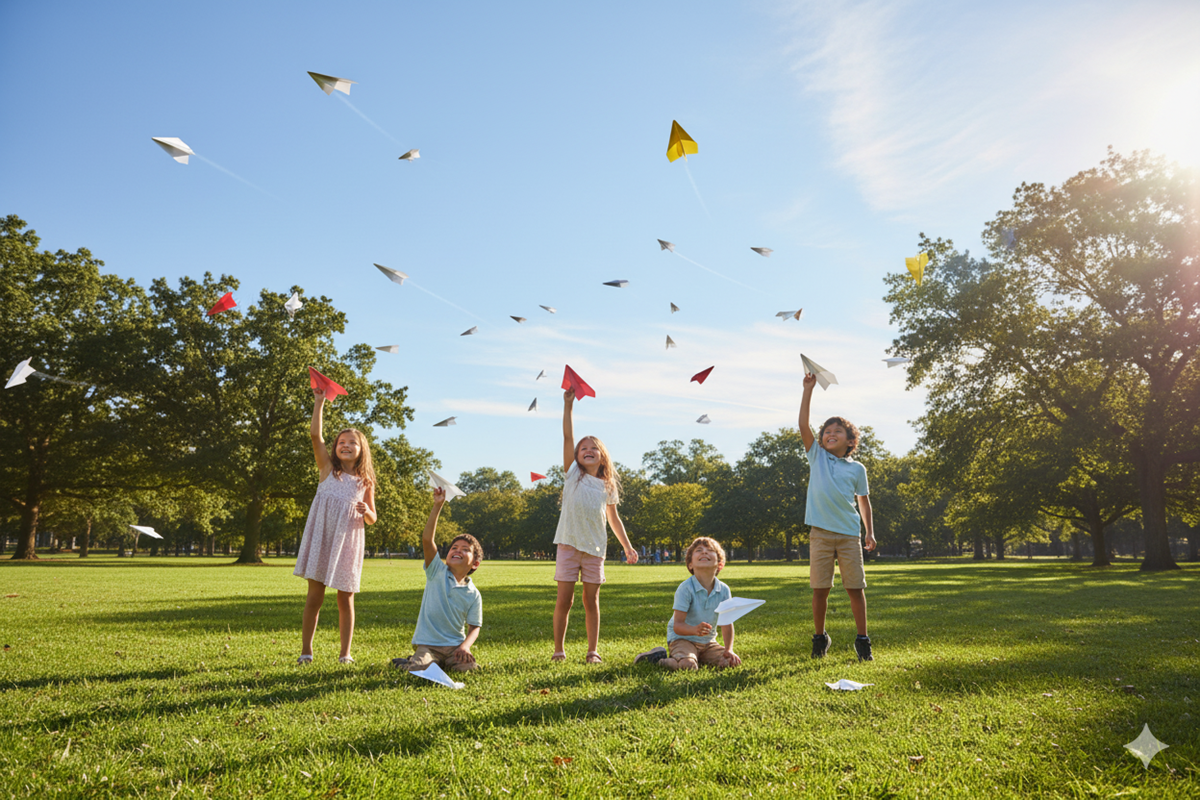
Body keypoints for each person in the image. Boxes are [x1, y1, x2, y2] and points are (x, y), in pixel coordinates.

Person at [552, 387, 639, 664]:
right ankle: (559, 651)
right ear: (577, 456)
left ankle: (592, 651)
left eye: (593, 448)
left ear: (602, 456)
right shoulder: (572, 474)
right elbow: (568, 436)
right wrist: (568, 406)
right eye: (583, 448)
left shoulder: (607, 484)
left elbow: (613, 518)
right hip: (568, 544)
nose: (587, 451)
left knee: (592, 601)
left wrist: (627, 546)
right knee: (564, 600)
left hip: (595, 549)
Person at [293, 386, 377, 665]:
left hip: (349, 541)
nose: (345, 445)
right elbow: (315, 435)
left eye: (352, 442)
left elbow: (372, 517)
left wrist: (367, 512)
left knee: (346, 599)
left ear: (361, 449)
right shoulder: (328, 470)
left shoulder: (366, 482)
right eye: (341, 441)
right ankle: (306, 651)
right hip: (322, 537)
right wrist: (319, 402)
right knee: (314, 597)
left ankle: (345, 654)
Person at [798, 371, 876, 661]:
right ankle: (819, 638)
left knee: (855, 588)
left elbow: (863, 502)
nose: (830, 434)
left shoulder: (857, 469)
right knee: (821, 589)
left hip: (847, 534)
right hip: (819, 532)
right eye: (826, 431)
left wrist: (869, 531)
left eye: (837, 431)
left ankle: (862, 640)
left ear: (850, 441)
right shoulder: (816, 456)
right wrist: (808, 390)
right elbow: (803, 424)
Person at [392, 486, 484, 674]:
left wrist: (464, 647)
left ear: (474, 564)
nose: (457, 550)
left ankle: (440, 663)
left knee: (470, 669)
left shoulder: (473, 594)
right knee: (420, 669)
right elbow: (427, 540)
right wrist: (437, 506)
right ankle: (409, 662)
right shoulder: (436, 572)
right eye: (454, 547)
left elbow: (474, 627)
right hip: (429, 645)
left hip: (454, 647)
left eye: (465, 549)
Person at [634, 537, 742, 670]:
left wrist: (729, 649)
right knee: (688, 666)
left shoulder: (724, 590)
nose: (704, 552)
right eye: (699, 550)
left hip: (708, 642)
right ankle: (658, 660)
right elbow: (677, 626)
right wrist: (694, 630)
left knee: (729, 663)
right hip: (682, 639)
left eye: (710, 550)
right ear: (690, 564)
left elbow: (727, 623)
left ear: (720, 564)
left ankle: (698, 657)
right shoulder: (686, 588)